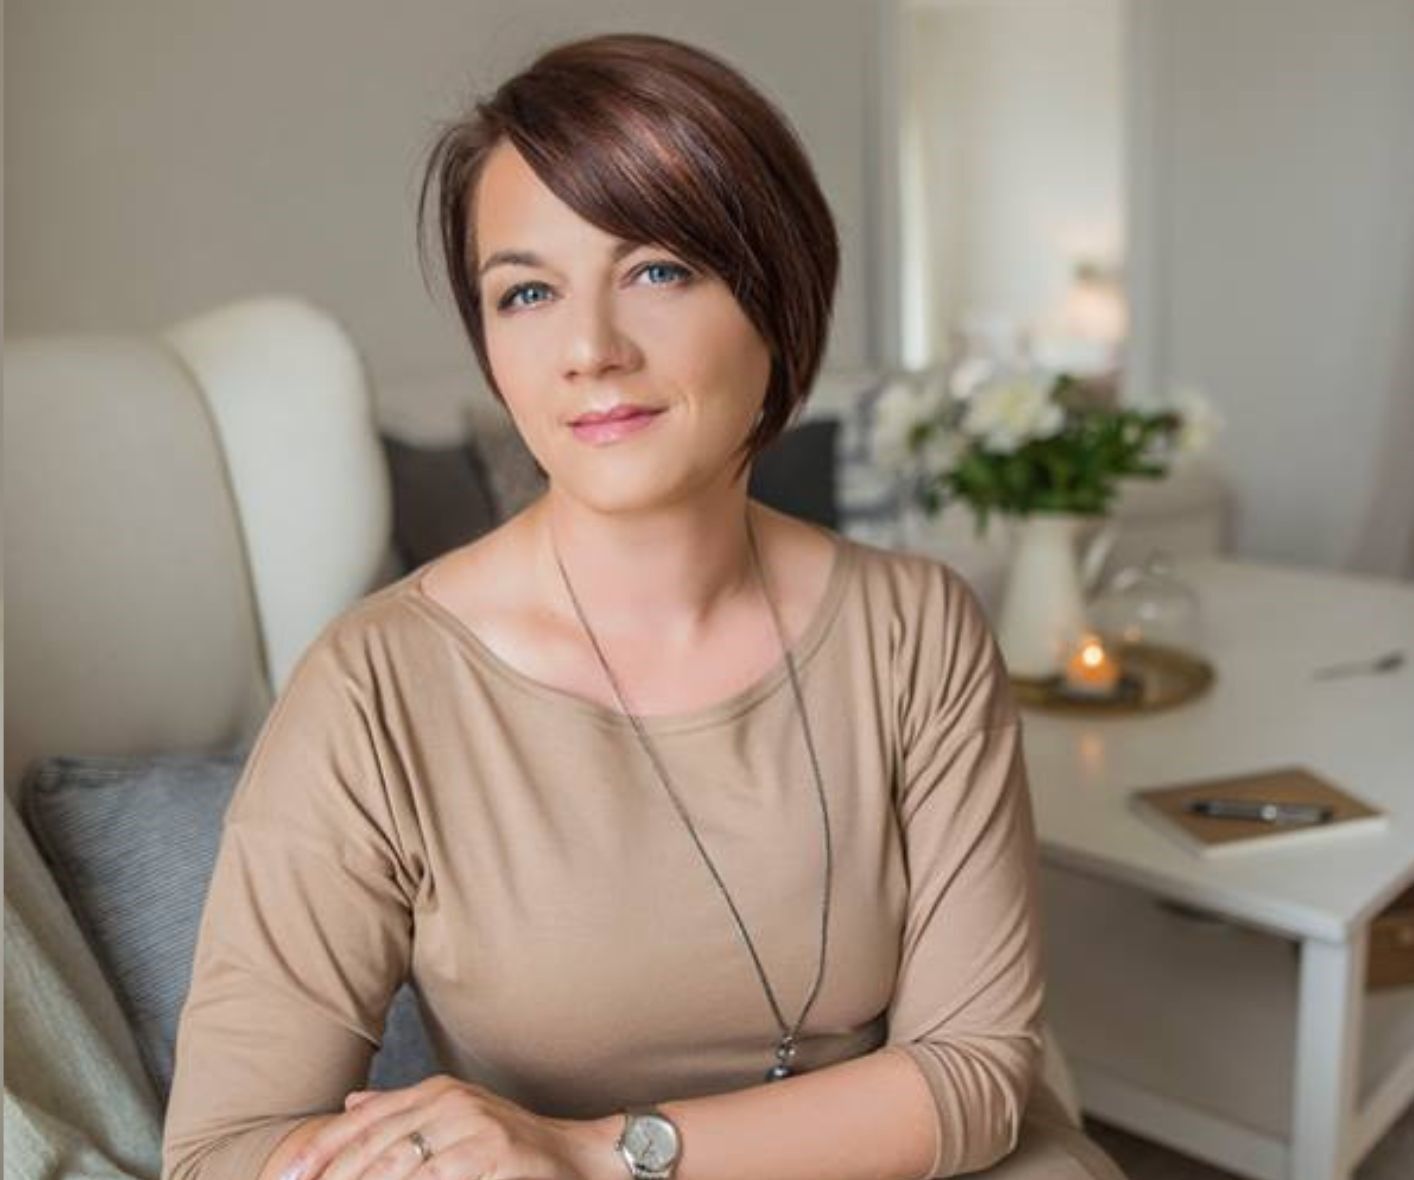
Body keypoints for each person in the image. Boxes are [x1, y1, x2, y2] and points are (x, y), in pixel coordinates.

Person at [161, 31, 1127, 1180]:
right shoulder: (377, 687)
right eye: (526, 291)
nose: (590, 349)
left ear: (774, 295)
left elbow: (976, 1071)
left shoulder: (913, 627)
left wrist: (598, 1152)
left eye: (658, 270)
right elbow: (223, 1151)